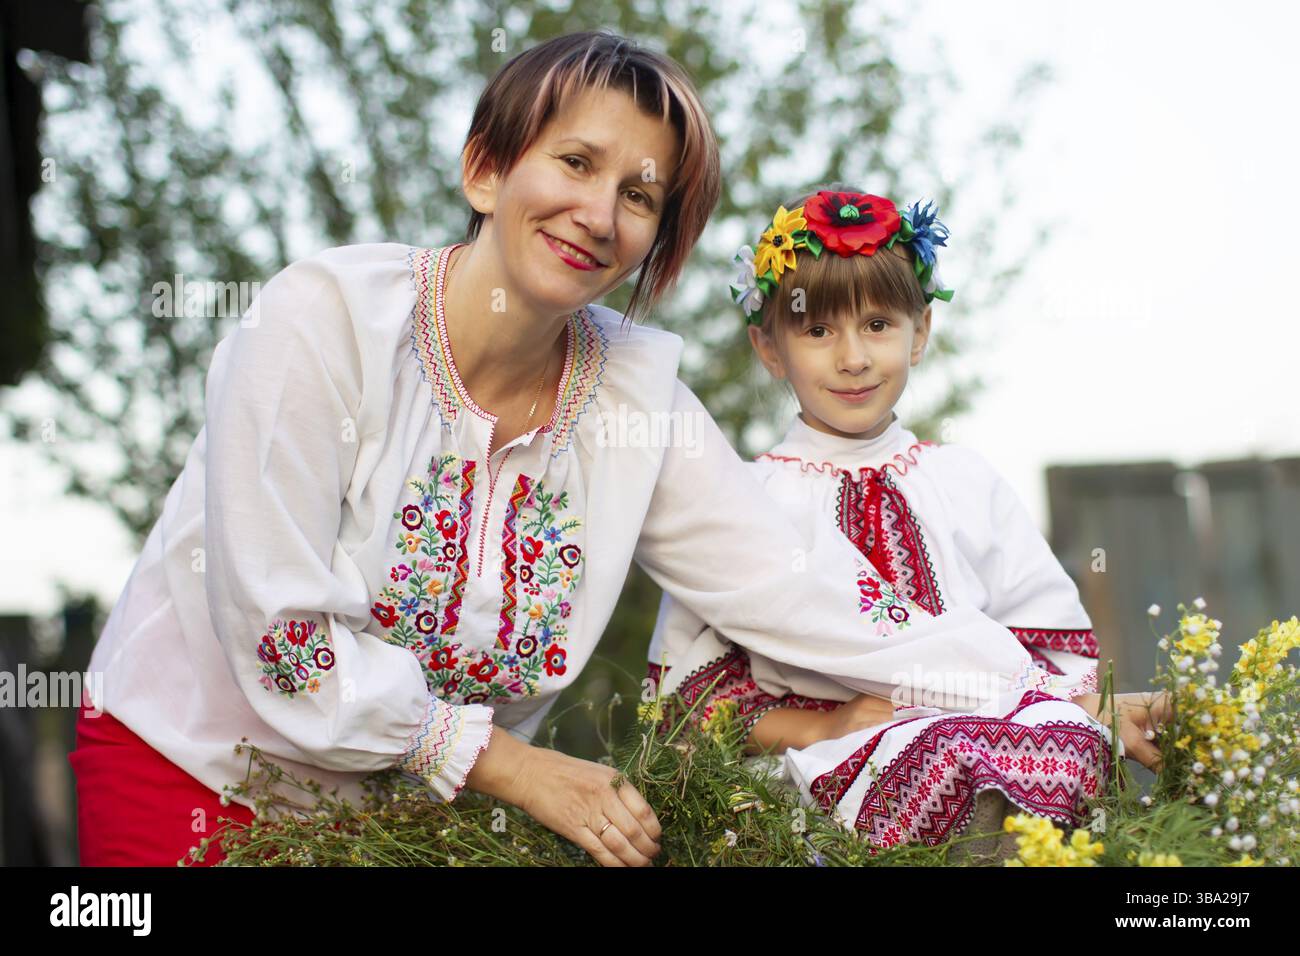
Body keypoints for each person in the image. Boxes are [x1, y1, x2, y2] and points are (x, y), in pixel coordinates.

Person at [69, 32, 1142, 869]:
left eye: (640, 195)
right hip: (194, 776)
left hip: (410, 828)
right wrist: (514, 766)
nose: (599, 212)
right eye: (575, 162)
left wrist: (1039, 699)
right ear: (487, 169)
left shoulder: (636, 394)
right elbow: (280, 623)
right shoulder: (321, 323)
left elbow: (800, 586)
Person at [647, 186, 1170, 853]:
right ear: (769, 347)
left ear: (919, 332)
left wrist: (1066, 706)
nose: (853, 358)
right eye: (816, 330)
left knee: (1064, 747)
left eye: (877, 325)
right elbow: (689, 706)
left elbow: (1048, 637)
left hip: (994, 737)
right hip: (825, 762)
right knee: (943, 755)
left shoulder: (965, 481)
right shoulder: (744, 501)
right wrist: (821, 724)